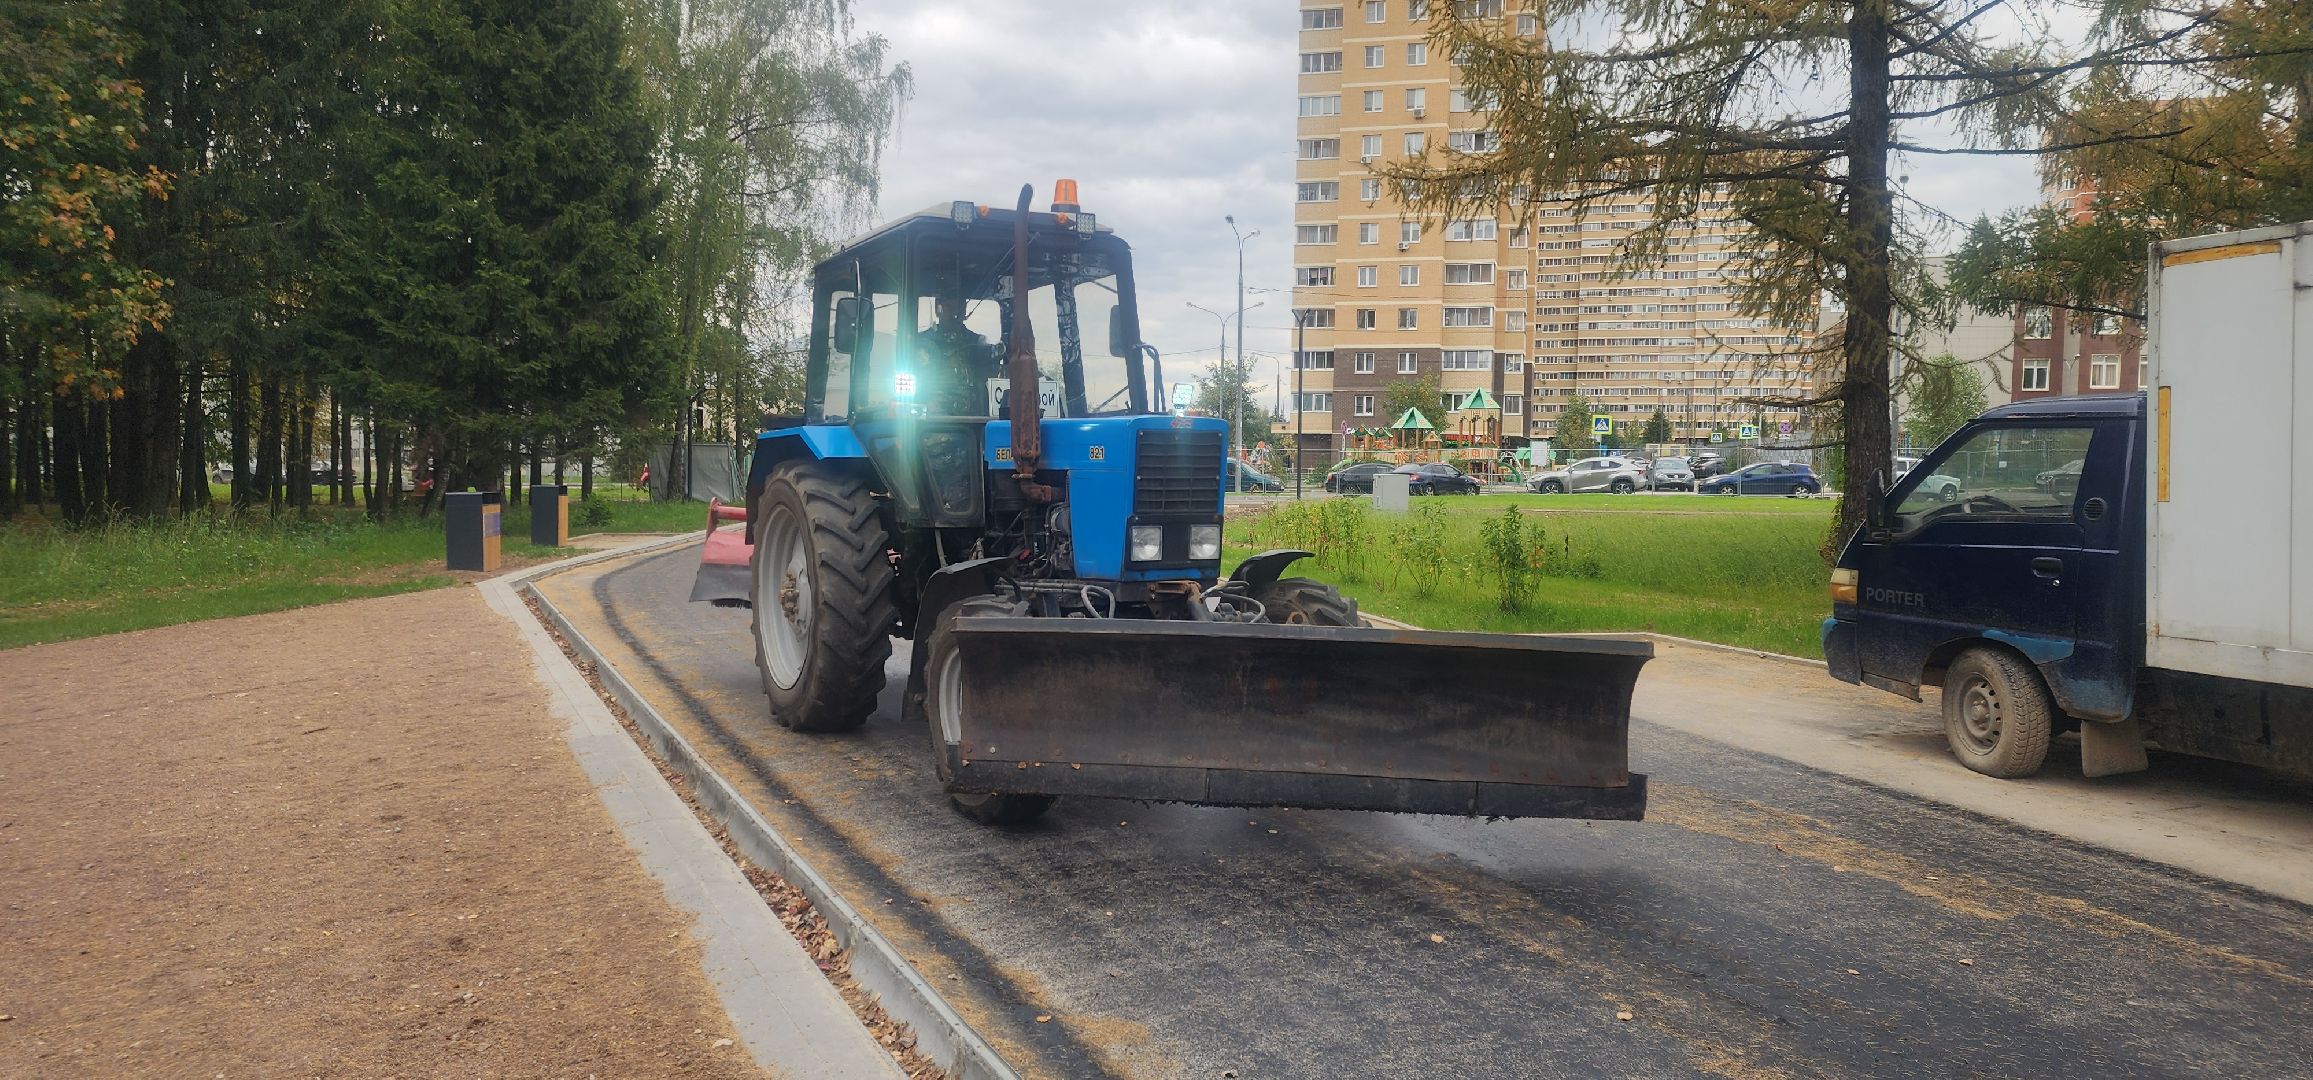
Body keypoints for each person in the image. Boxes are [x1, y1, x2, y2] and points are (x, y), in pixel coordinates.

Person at [919, 289, 991, 416]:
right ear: (938, 308)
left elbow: (985, 379)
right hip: (929, 418)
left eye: (960, 307)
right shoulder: (921, 342)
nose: (955, 312)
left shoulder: (976, 342)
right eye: (950, 306)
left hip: (971, 418)